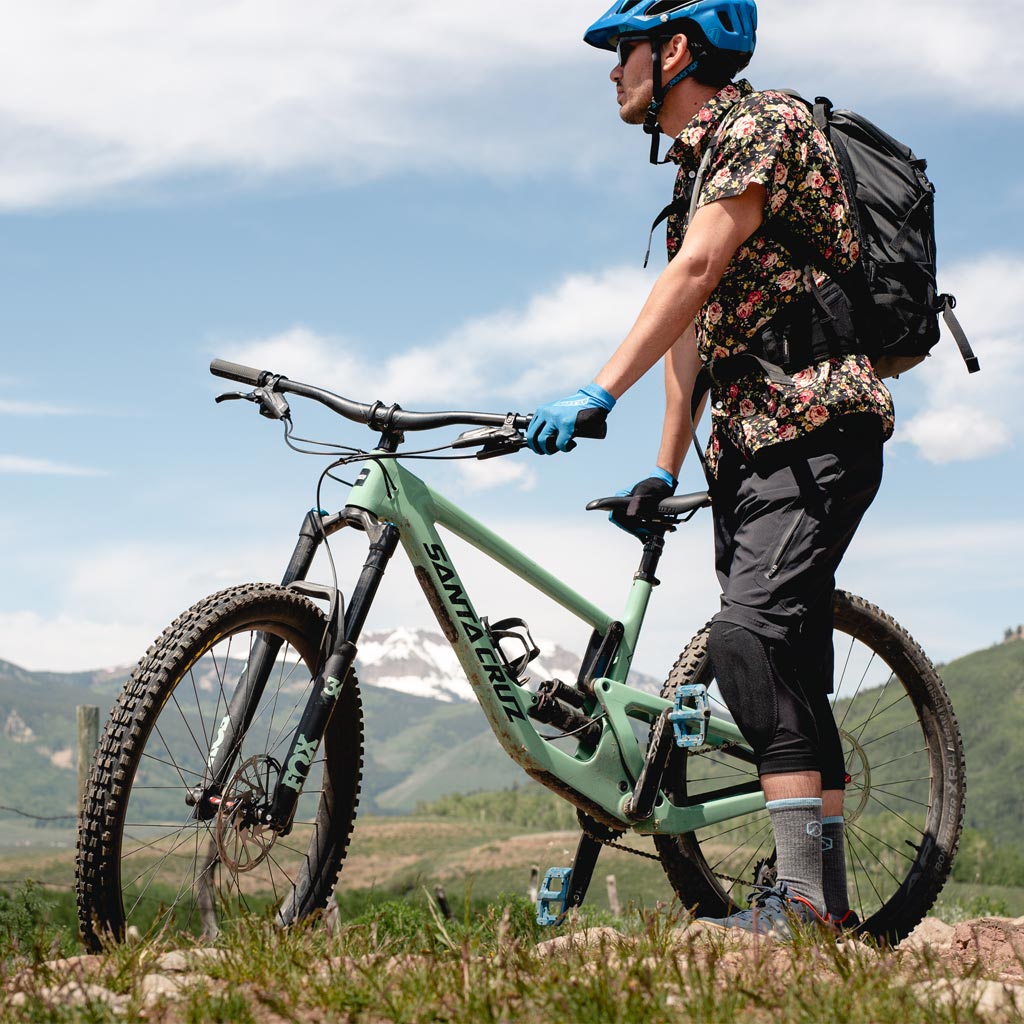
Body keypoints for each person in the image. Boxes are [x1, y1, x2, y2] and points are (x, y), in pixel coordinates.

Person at [526, 0, 895, 938]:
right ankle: (830, 907)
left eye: (625, 52)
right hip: (750, 445)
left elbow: (691, 276)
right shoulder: (698, 173)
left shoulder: (762, 126)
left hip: (816, 424)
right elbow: (696, 332)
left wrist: (595, 389)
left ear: (677, 49)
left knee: (749, 641)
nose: (613, 71)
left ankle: (803, 902)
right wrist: (659, 465)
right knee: (794, 661)